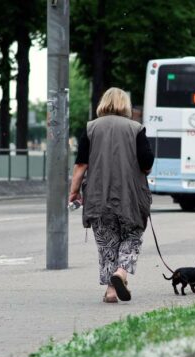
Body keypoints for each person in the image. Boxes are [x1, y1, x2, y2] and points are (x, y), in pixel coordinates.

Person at [68, 88, 154, 303]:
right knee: (132, 237)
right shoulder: (136, 128)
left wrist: (74, 191)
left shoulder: (91, 128)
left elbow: (81, 164)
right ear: (125, 104)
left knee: (107, 243)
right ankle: (121, 273)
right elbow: (147, 164)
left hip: (99, 197)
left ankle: (111, 291)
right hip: (130, 197)